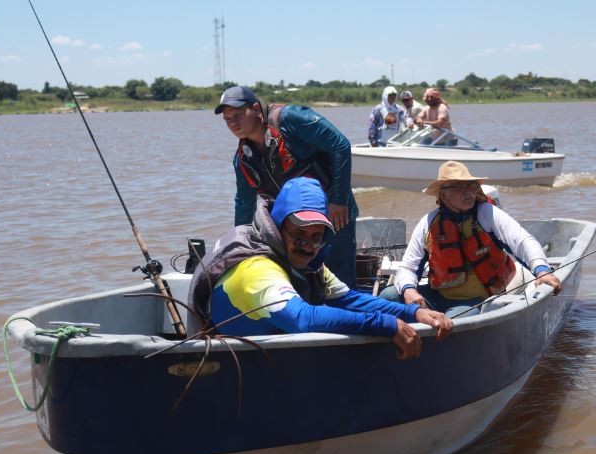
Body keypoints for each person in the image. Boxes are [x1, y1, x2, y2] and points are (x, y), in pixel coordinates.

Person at [188, 177, 453, 359]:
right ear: (277, 226)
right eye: (299, 235)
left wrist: (414, 313)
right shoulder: (256, 269)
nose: (307, 246)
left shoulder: (308, 264)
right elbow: (302, 319)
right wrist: (388, 325)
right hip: (235, 365)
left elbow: (350, 300)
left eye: (317, 236)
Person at [215, 86, 358, 289]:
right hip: (294, 229)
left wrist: (339, 200)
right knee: (303, 284)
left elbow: (340, 145)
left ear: (255, 108)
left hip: (334, 214)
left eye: (238, 115)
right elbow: (244, 204)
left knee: (341, 281)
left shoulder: (291, 118)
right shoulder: (242, 160)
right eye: (227, 119)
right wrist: (240, 245)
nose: (233, 123)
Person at [380, 161, 561, 318]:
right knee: (388, 296)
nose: (468, 192)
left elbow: (523, 241)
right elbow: (408, 267)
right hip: (437, 296)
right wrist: (409, 290)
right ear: (443, 194)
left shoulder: (487, 214)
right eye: (459, 187)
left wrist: (542, 270)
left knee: (456, 321)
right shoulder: (428, 223)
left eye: (471, 186)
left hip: (475, 300)